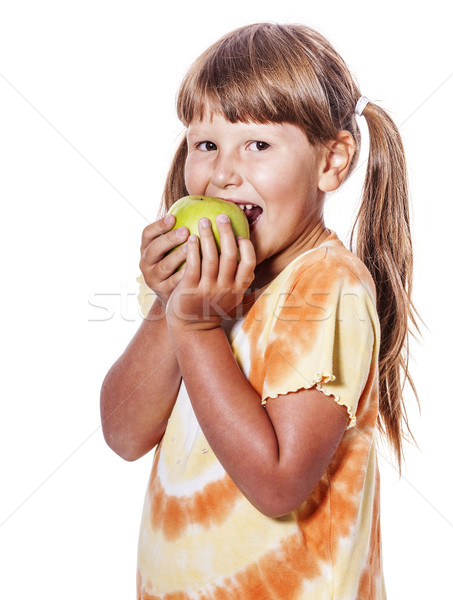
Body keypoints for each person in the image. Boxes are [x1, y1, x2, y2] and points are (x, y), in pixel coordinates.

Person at [100, 22, 420, 599]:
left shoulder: (330, 285)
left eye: (258, 144)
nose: (222, 173)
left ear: (332, 161)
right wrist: (172, 307)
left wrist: (197, 327)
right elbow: (123, 433)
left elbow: (277, 484)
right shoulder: (206, 284)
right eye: (206, 144)